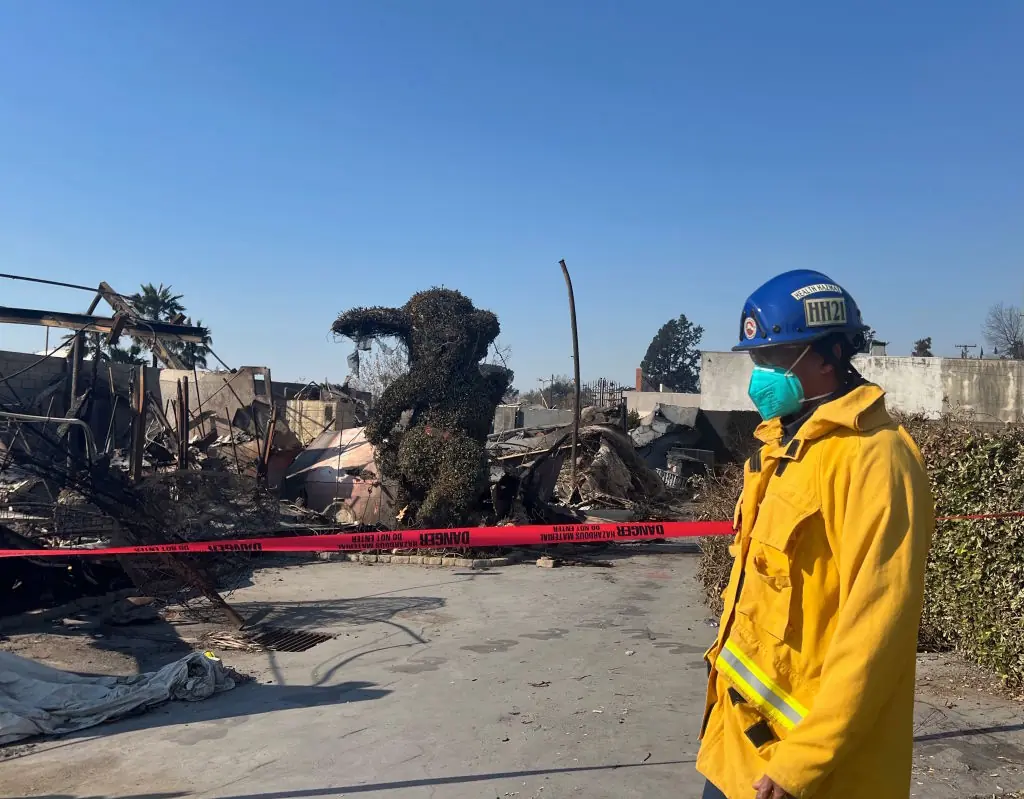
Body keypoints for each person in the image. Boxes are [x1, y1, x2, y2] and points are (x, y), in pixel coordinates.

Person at [696, 270, 934, 799]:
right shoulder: (785, 448)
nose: (761, 375)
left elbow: (878, 627)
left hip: (806, 770)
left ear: (830, 355)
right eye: (757, 359)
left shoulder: (876, 459)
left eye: (775, 357)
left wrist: (802, 763)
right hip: (740, 744)